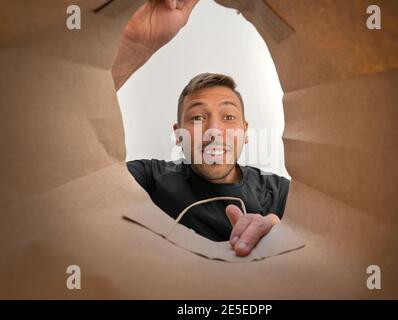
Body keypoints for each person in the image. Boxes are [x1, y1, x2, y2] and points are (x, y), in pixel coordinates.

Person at [112, 0, 290, 257]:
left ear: (245, 132)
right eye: (197, 118)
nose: (213, 130)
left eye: (228, 117)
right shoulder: (150, 178)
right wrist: (133, 47)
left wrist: (281, 231)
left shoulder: (279, 192)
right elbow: (78, 172)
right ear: (178, 133)